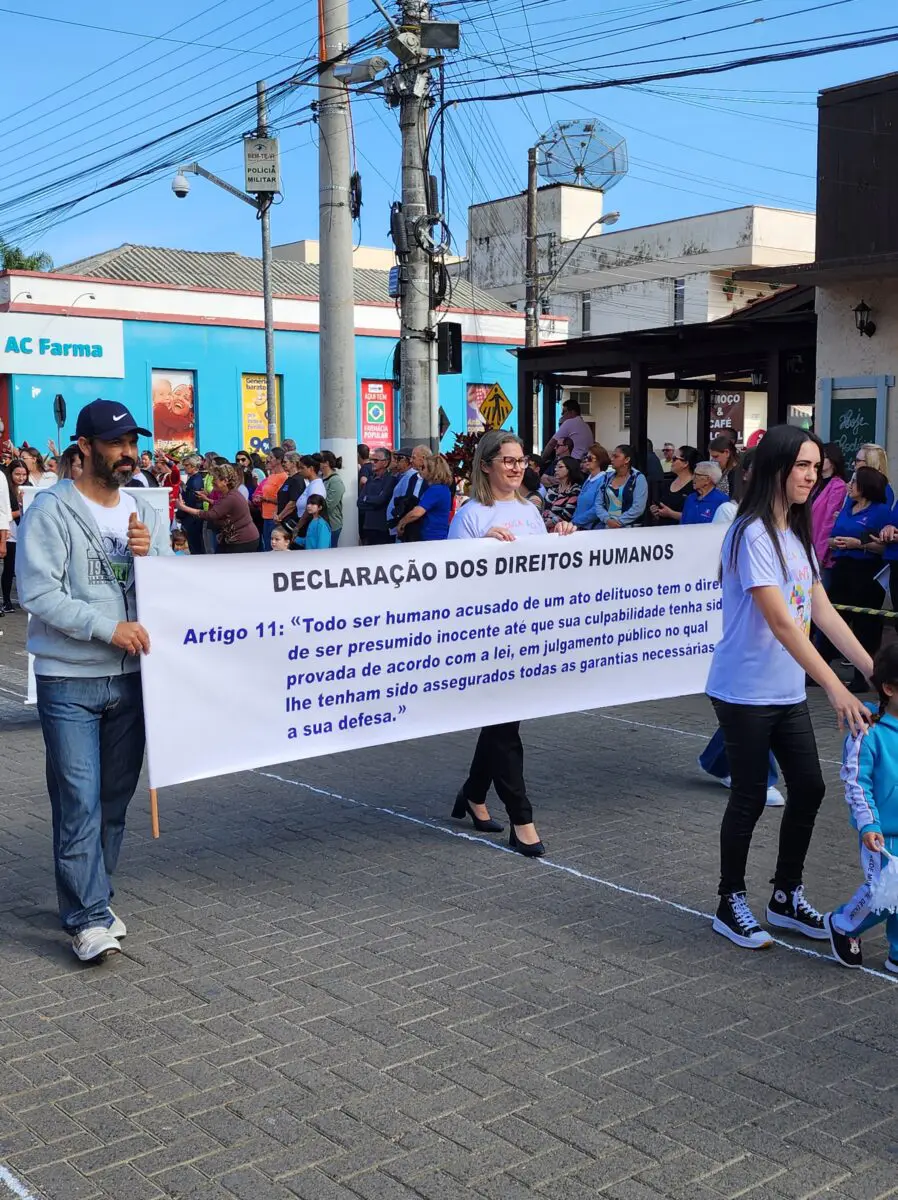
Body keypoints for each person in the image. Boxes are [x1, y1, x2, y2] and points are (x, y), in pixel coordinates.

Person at [706, 424, 874, 951]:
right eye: (802, 465)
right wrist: (834, 686)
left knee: (811, 788)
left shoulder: (794, 532)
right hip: (743, 691)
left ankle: (785, 896)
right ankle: (729, 901)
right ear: (777, 468)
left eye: (815, 466)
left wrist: (874, 673)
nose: (812, 475)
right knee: (751, 796)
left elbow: (818, 610)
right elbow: (782, 622)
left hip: (784, 692)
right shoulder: (750, 533)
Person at [16, 400, 171, 963]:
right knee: (77, 799)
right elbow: (36, 593)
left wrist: (151, 558)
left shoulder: (144, 511)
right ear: (83, 448)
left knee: (112, 800)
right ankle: (84, 916)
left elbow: (172, 590)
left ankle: (96, 898)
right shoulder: (51, 511)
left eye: (132, 443)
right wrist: (108, 628)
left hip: (132, 682)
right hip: (69, 681)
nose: (128, 454)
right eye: (116, 444)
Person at [447, 430, 574, 857]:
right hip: (486, 636)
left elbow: (543, 571)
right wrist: (481, 550)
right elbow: (450, 579)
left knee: (504, 722)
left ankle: (472, 795)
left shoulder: (531, 512)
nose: (517, 467)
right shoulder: (470, 515)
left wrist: (563, 539)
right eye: (508, 460)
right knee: (504, 726)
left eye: (521, 460)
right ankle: (522, 819)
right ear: (486, 464)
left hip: (525, 632)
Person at [824, 643, 898, 973]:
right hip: (881, 833)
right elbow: (857, 782)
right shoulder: (867, 732)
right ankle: (844, 924)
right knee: (881, 893)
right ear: (890, 688)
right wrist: (868, 824)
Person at [819, 466, 891, 693]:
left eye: (855, 482)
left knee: (865, 623)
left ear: (866, 486)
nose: (850, 485)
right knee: (834, 616)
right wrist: (835, 543)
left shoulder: (882, 512)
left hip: (867, 570)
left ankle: (864, 675)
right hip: (842, 566)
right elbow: (831, 536)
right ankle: (820, 668)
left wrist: (858, 544)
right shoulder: (848, 507)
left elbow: (883, 546)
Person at [179, 463, 260, 553]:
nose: (213, 482)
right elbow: (220, 506)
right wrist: (207, 498)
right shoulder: (229, 494)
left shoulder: (230, 497)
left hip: (243, 540)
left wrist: (183, 507)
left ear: (225, 481)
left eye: (215, 479)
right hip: (234, 539)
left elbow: (210, 514)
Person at [811, 442, 849, 592]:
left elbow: (828, 523)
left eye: (823, 457)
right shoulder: (816, 484)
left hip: (823, 555)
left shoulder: (837, 485)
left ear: (832, 460)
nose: (819, 460)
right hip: (809, 546)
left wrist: (820, 555)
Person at [396, 454, 453, 542]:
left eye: (423, 467)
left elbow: (417, 513)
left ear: (432, 470)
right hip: (434, 536)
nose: (420, 469)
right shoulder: (441, 488)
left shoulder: (436, 490)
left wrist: (402, 523)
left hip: (432, 538)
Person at [595, 444, 648, 529]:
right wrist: (607, 520)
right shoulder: (607, 477)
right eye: (612, 456)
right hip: (607, 525)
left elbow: (638, 507)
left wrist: (619, 522)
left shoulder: (638, 478)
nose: (611, 459)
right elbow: (598, 503)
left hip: (631, 528)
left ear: (627, 459)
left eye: (615, 456)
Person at [1, 460, 28, 612]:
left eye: (24, 474)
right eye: (17, 474)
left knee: (23, 569)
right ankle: (6, 600)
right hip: (11, 532)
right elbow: (6, 514)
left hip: (26, 532)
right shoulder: (7, 490)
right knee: (9, 568)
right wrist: (20, 507)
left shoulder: (29, 488)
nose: (21, 477)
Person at [357, 447, 396, 546]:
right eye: (371, 460)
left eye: (376, 460)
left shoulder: (390, 479)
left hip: (382, 528)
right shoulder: (370, 479)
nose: (372, 463)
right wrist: (373, 501)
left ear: (385, 462)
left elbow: (381, 500)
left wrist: (367, 499)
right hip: (368, 527)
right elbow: (359, 502)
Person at [388, 446, 427, 541]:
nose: (396, 462)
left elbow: (411, 502)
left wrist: (402, 522)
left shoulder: (413, 477)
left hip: (413, 525)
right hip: (404, 525)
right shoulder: (410, 477)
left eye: (399, 459)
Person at [651, 446, 697, 525]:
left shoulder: (695, 486)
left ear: (686, 463)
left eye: (675, 459)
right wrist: (657, 511)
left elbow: (695, 516)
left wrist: (671, 514)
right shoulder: (667, 483)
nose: (671, 461)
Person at [570, 444, 609, 530]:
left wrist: (576, 521)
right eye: (586, 458)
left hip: (593, 530)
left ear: (600, 460)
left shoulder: (604, 480)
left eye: (590, 458)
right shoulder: (588, 479)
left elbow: (597, 509)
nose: (587, 460)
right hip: (580, 527)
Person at [253, 452, 287, 550]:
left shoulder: (283, 477)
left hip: (275, 517)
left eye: (271, 457)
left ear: (279, 460)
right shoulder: (271, 476)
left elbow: (282, 499)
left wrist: (265, 499)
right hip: (265, 516)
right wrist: (259, 498)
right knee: (267, 546)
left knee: (273, 547)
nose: (268, 459)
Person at [542, 397, 592, 461]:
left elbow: (551, 444)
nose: (562, 414)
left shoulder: (570, 422)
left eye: (564, 411)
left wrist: (542, 460)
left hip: (574, 461)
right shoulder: (585, 425)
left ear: (572, 412)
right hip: (584, 460)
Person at [542, 456, 583, 530]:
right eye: (556, 467)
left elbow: (567, 516)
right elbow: (543, 507)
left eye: (560, 467)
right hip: (543, 527)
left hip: (561, 530)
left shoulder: (575, 490)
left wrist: (545, 524)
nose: (555, 469)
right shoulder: (553, 488)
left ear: (570, 469)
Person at [274, 452, 305, 536]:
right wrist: (276, 514)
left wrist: (280, 516)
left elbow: (293, 503)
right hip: (282, 520)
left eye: (285, 462)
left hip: (290, 521)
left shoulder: (297, 480)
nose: (283, 464)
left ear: (293, 463)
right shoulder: (289, 479)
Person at [319, 450, 345, 547]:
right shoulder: (320, 478)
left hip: (331, 524)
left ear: (326, 463)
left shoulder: (335, 481)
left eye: (319, 460)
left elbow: (329, 505)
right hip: (320, 522)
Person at [709, 434, 743, 501]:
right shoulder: (724, 470)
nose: (713, 460)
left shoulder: (736, 472)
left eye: (716, 457)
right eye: (712, 457)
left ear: (727, 452)